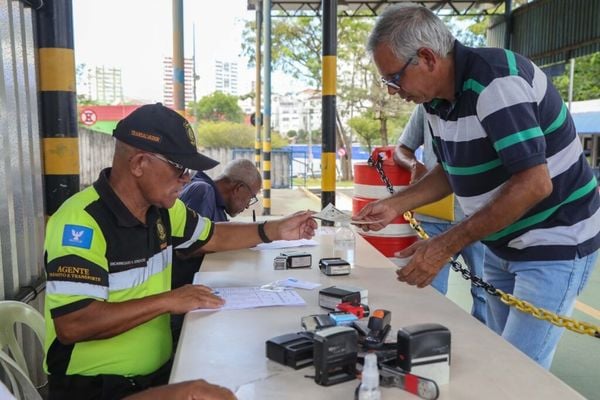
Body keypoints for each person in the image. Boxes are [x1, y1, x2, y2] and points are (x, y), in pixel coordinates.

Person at [357, 3, 600, 369]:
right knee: (504, 356)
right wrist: (396, 204)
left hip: (556, 239)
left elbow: (534, 184)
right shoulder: (437, 102)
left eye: (394, 78)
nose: (393, 90)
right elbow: (450, 171)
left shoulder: (497, 82)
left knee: (518, 371)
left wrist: (446, 245)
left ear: (426, 58)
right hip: (502, 242)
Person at [43, 103, 317, 399]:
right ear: (138, 164)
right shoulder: (81, 222)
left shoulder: (162, 210)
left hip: (156, 375)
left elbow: (211, 235)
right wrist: (169, 300)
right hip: (94, 387)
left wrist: (274, 231)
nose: (186, 178)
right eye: (178, 167)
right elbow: (74, 323)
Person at [395, 104, 486, 323]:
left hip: (481, 219)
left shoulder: (483, 101)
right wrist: (413, 164)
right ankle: (428, 340)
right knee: (427, 288)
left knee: (485, 292)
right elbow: (402, 148)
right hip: (432, 219)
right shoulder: (425, 107)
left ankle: (488, 344)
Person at [170, 159, 262, 342]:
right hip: (183, 300)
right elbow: (188, 246)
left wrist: (238, 237)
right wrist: (234, 240)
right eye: (251, 197)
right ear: (238, 188)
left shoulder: (214, 201)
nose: (247, 206)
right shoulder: (203, 191)